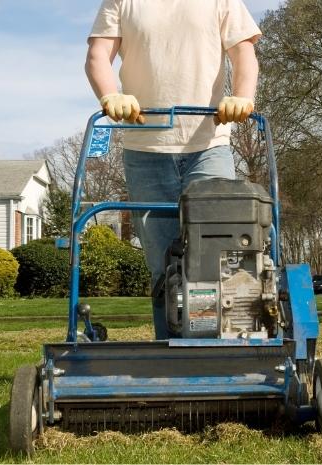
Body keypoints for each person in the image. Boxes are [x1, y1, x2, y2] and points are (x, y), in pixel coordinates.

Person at [85, 0, 261, 339]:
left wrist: (242, 97)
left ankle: (226, 349)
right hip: (145, 150)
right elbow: (97, 56)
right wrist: (111, 96)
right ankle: (170, 352)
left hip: (208, 145)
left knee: (218, 257)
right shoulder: (122, 2)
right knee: (164, 266)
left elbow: (244, 55)